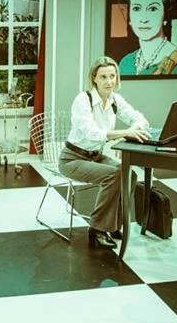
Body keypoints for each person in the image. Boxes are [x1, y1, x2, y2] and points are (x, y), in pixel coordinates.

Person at [58, 56, 150, 249]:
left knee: (130, 175)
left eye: (112, 76)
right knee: (114, 175)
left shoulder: (116, 100)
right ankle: (97, 229)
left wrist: (128, 136)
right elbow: (92, 133)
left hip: (96, 156)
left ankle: (114, 224)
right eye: (103, 77)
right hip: (72, 159)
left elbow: (140, 119)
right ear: (94, 78)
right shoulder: (83, 99)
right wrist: (125, 133)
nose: (109, 82)